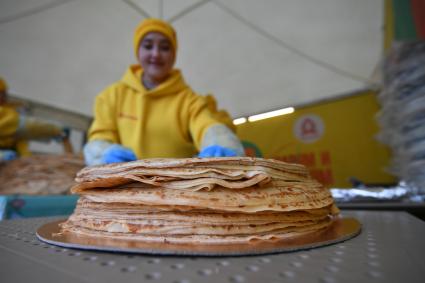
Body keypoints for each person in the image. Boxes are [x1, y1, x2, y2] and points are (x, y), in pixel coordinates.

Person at [83, 18, 245, 166]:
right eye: (148, 46)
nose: (156, 54)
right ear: (137, 51)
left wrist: (221, 145)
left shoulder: (189, 100)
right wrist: (104, 152)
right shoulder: (112, 96)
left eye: (165, 48)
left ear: (174, 55)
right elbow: (100, 137)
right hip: (125, 188)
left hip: (179, 192)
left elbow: (207, 127)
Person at [0, 77, 68, 162]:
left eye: (4, 94)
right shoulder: (5, 115)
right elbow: (23, 126)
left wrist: (27, 159)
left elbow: (20, 138)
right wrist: (54, 129)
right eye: (1, 94)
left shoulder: (10, 109)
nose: (3, 97)